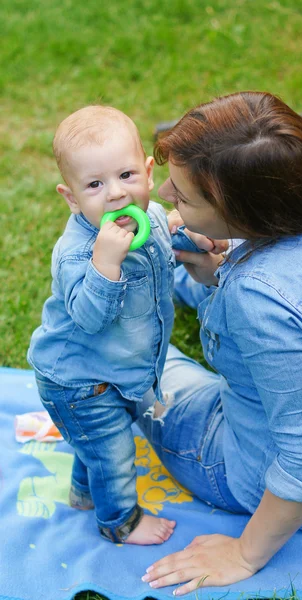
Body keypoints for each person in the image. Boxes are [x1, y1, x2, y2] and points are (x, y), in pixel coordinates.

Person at [135, 91, 302, 594]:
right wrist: (219, 274)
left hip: (255, 472)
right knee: (210, 275)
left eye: (183, 197)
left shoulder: (261, 299)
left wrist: (244, 554)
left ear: (249, 219)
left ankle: (158, 281)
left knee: (126, 361)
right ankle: (187, 275)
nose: (162, 191)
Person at [27, 105, 184, 545]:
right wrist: (105, 265)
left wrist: (187, 234)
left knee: (96, 445)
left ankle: (83, 493)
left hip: (121, 374)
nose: (115, 194)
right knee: (114, 454)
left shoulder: (148, 221)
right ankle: (120, 522)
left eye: (126, 175)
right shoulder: (78, 254)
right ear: (72, 198)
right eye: (95, 184)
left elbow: (163, 237)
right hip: (78, 382)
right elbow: (88, 318)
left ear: (149, 173)